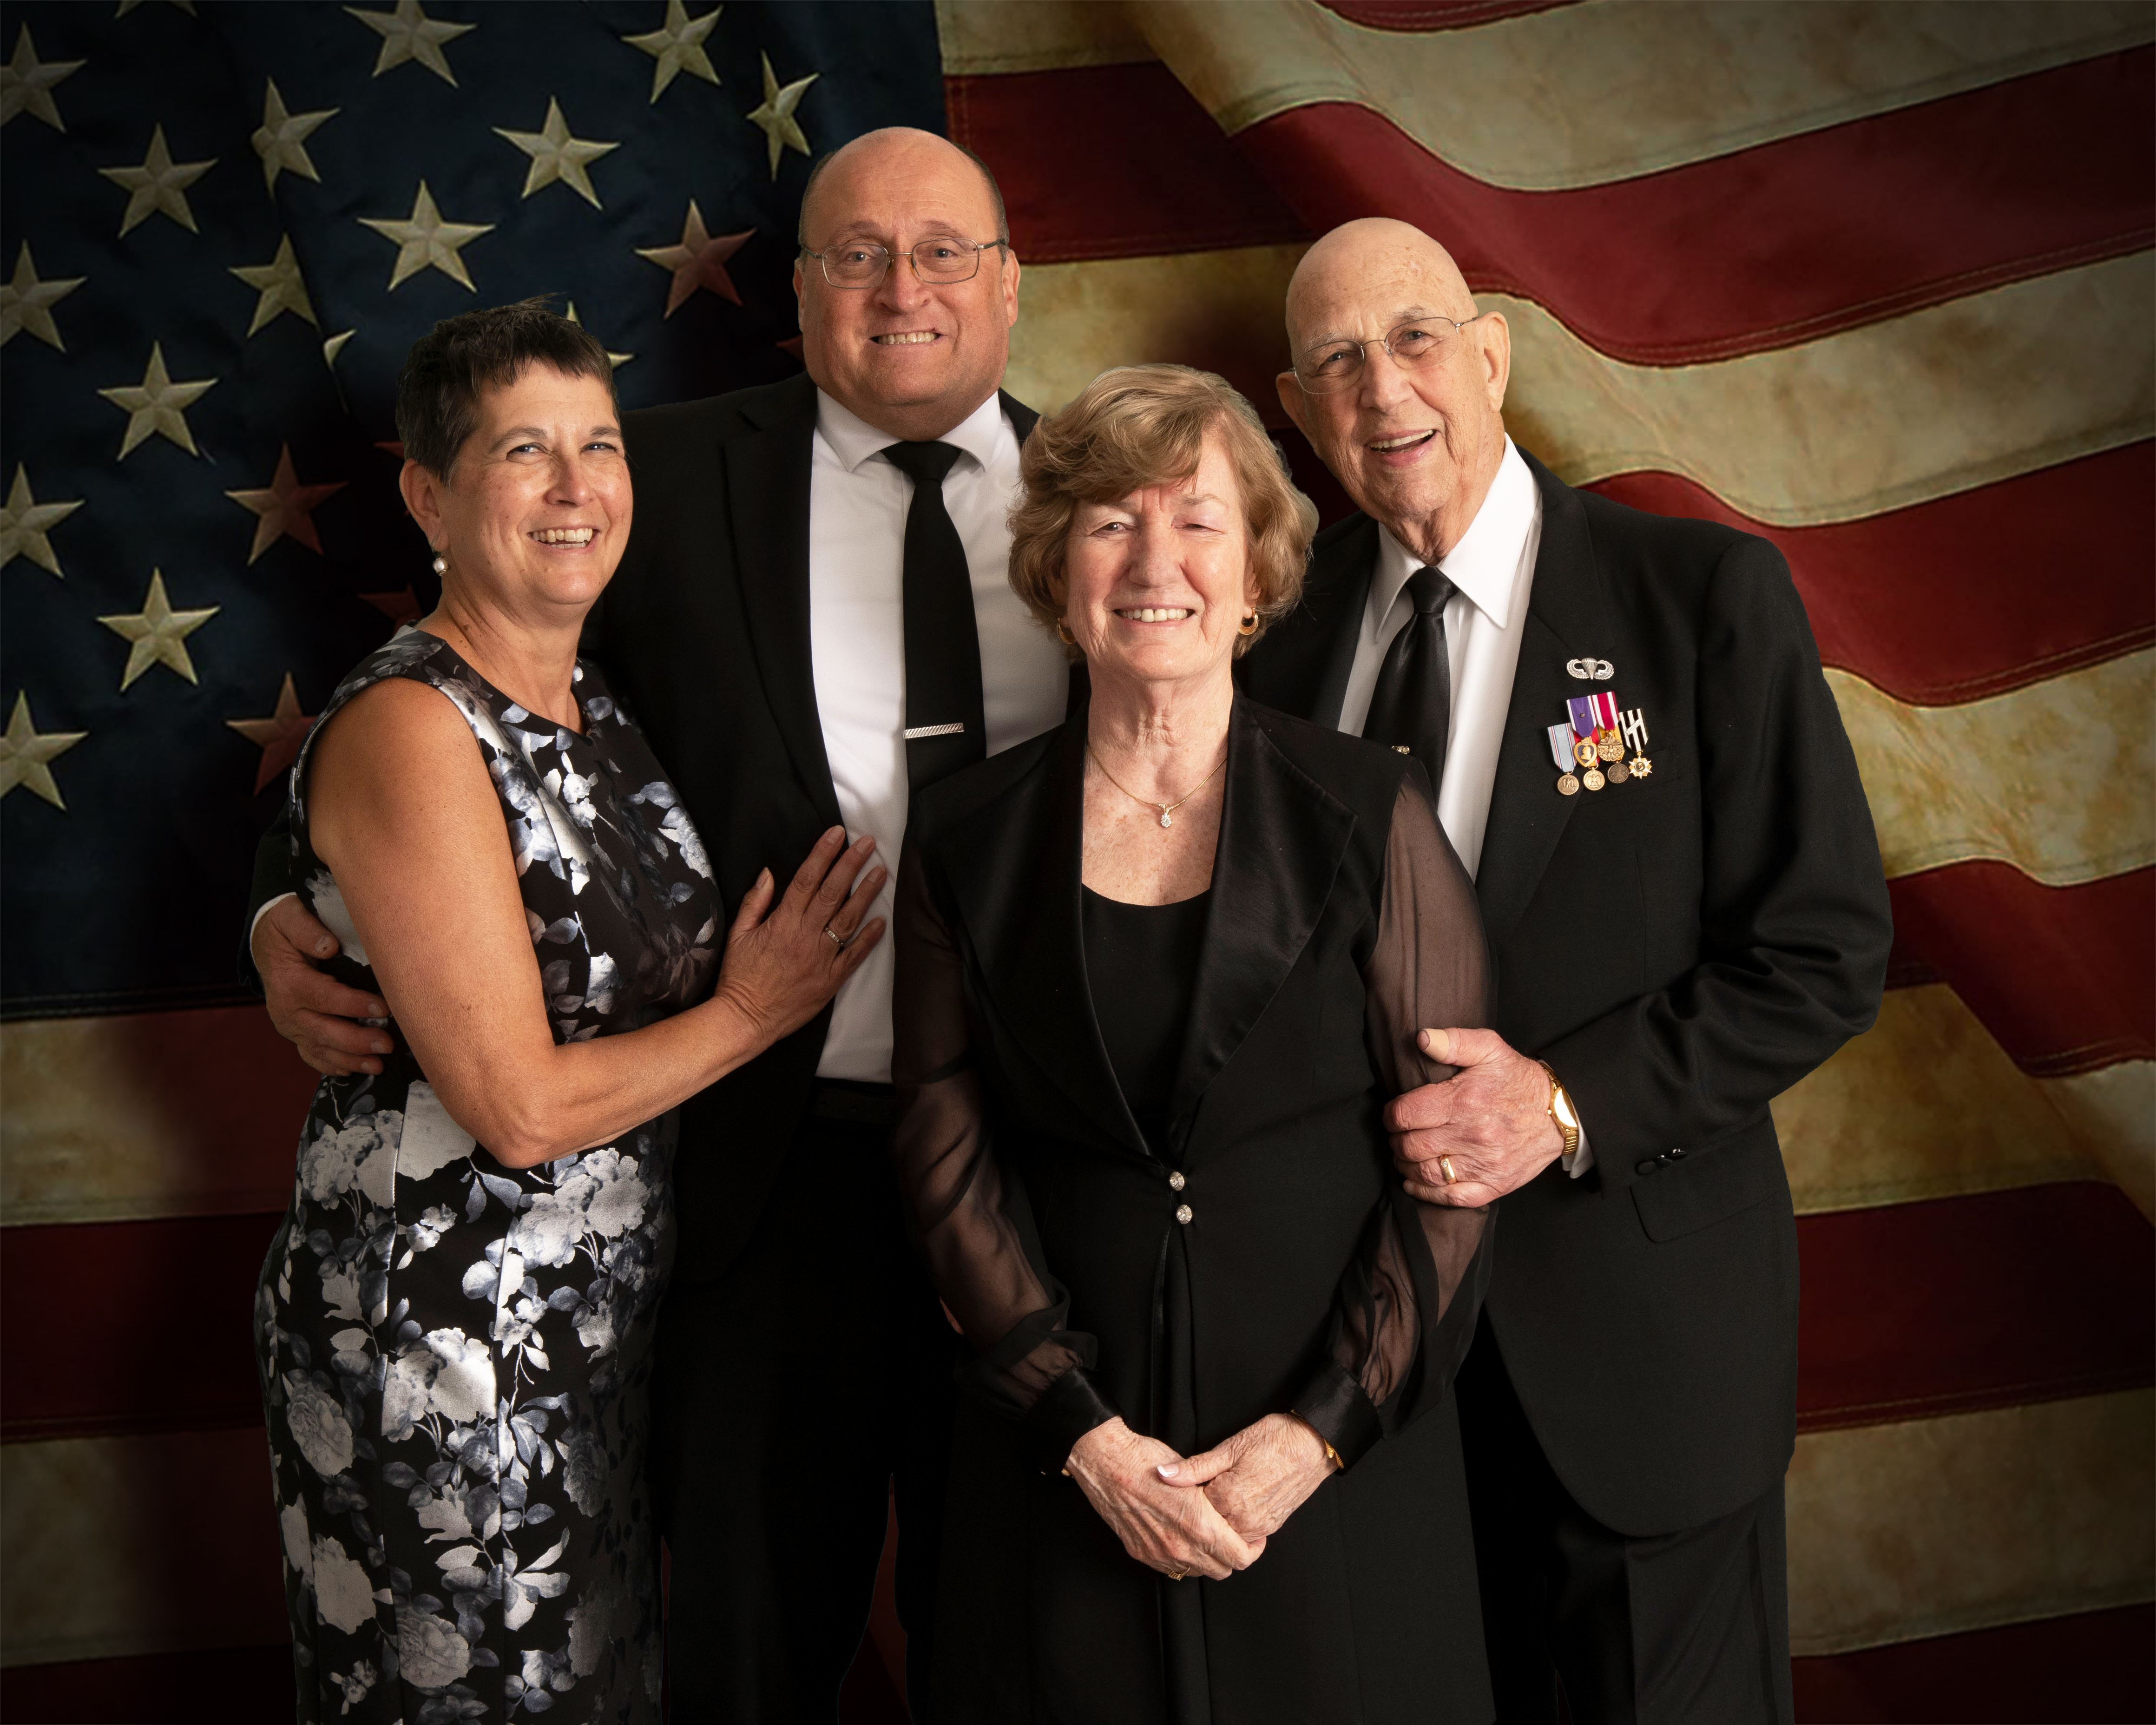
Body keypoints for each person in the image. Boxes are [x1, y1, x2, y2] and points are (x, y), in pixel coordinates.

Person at [243, 129, 1068, 1717]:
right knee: (742, 1651)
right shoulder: (653, 480)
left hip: (1031, 1165)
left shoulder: (1119, 498)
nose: (901, 287)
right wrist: (280, 904)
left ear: (1010, 284)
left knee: (1012, 1645)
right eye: (856, 254)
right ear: (802, 292)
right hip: (763, 1179)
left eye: (943, 251)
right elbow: (423, 714)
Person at [1240, 218, 1894, 1722]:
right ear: (1297, 408)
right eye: (1338, 360)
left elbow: (1823, 951)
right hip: (1368, 1385)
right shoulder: (1274, 644)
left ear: (1493, 355)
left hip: (1642, 1358)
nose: (1384, 387)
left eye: (1415, 339)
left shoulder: (1698, 599)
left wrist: (1562, 1104)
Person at [255, 302, 885, 1721]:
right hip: (444, 1344)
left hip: (590, 1340)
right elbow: (519, 1107)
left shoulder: (599, 693)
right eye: (523, 452)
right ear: (432, 499)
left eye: (598, 445)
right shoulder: (415, 725)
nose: (575, 486)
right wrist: (758, 1009)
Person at [892, 363, 1499, 1724]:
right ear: (1057, 569)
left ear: (1258, 570)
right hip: (1065, 1467)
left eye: (1198, 520)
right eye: (1111, 522)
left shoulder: (1370, 811)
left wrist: (1315, 1435)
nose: (1153, 561)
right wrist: (1084, 1437)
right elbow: (943, 1155)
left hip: (1335, 1471)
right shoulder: (965, 836)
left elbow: (1453, 1169)